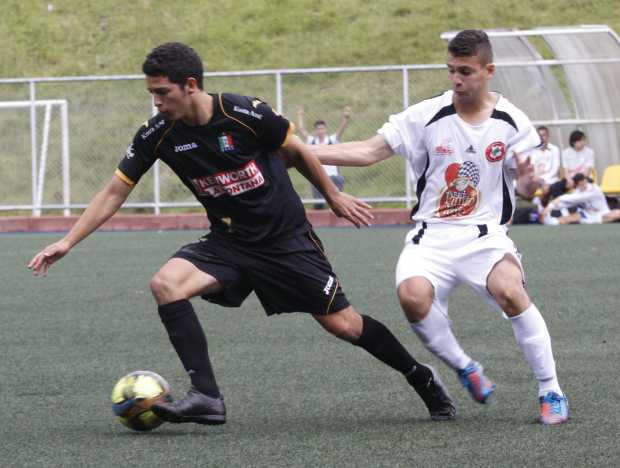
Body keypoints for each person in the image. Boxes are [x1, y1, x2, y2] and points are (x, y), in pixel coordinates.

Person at [27, 42, 455, 425]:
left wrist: (332, 196)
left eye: (162, 92)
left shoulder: (244, 113)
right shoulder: (157, 134)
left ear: (190, 85)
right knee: (166, 285)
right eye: (151, 94)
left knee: (344, 325)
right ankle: (207, 397)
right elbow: (114, 191)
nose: (156, 102)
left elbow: (298, 150)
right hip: (229, 243)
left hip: (285, 241)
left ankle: (419, 376)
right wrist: (67, 240)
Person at [307, 30, 569, 425]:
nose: (456, 80)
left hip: (485, 235)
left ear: (488, 71)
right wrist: (301, 151)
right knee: (412, 297)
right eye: (451, 71)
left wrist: (530, 183)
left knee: (511, 291)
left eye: (465, 71)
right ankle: (465, 367)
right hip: (430, 236)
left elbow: (528, 188)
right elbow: (368, 150)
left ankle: (551, 390)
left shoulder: (513, 122)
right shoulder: (425, 115)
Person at [297, 105, 350, 208]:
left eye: (322, 128)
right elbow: (302, 129)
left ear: (325, 129)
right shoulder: (312, 141)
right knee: (319, 204)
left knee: (338, 198)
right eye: (318, 129)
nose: (320, 131)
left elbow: (341, 130)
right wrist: (300, 115)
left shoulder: (331, 140)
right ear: (316, 130)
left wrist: (345, 117)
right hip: (319, 177)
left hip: (333, 177)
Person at [541, 173, 620, 225]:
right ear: (577, 185)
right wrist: (549, 208)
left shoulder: (594, 189)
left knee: (616, 214)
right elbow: (567, 202)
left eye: (584, 182)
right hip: (587, 214)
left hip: (602, 214)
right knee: (566, 219)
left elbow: (569, 198)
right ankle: (551, 221)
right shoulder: (578, 191)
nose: (584, 185)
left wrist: (550, 206)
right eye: (581, 184)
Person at [542, 130, 595, 206]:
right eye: (579, 140)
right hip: (570, 179)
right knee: (554, 188)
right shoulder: (566, 152)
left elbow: (587, 171)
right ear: (573, 142)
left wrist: (575, 181)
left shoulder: (589, 152)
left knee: (580, 184)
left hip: (584, 178)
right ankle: (564, 205)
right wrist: (569, 180)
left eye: (583, 140)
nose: (582, 142)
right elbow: (566, 170)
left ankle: (576, 206)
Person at [529, 126, 560, 204]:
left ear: (548, 136)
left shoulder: (554, 149)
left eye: (544, 135)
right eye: (539, 136)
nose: (541, 138)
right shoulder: (532, 150)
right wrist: (538, 178)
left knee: (547, 187)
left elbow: (555, 169)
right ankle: (539, 204)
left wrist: (543, 179)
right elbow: (532, 167)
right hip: (536, 179)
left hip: (551, 178)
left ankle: (543, 205)